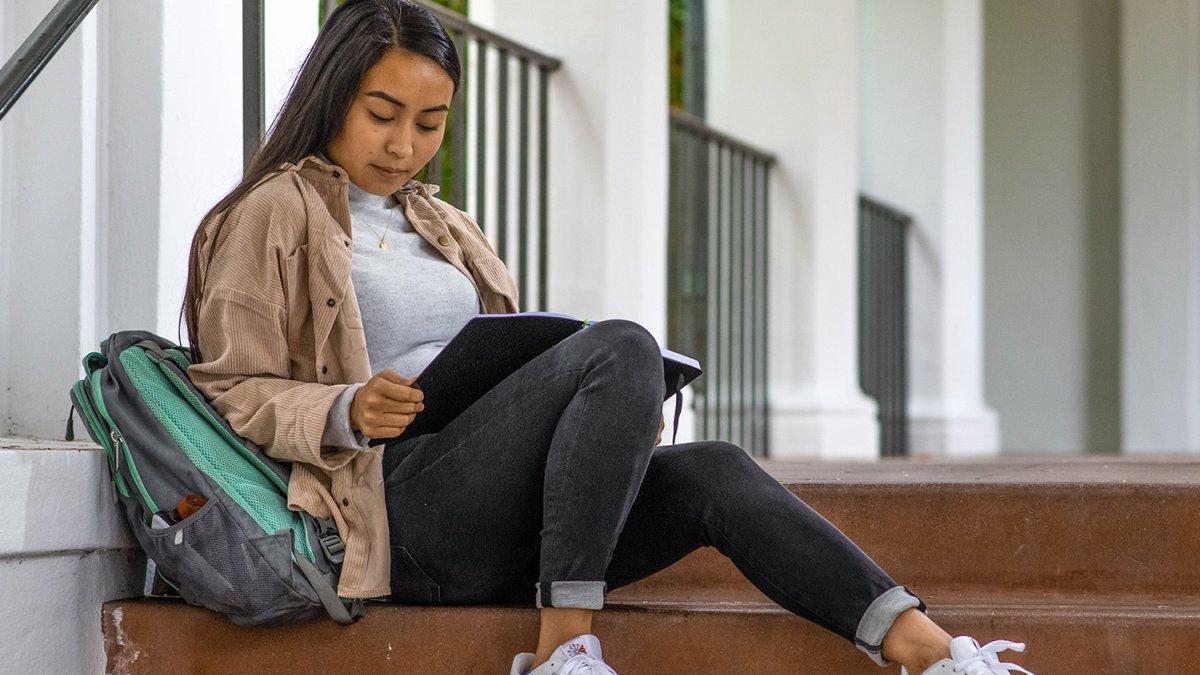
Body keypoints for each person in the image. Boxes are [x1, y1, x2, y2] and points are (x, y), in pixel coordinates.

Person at [181, 1, 1034, 673]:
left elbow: (507, 355)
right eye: (382, 114)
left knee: (714, 469)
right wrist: (345, 407)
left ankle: (929, 651)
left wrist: (588, 406)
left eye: (431, 122)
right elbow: (230, 388)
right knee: (620, 342)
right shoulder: (270, 213)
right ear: (334, 96)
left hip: (499, 520)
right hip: (390, 511)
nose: (406, 145)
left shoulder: (447, 225)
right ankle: (561, 652)